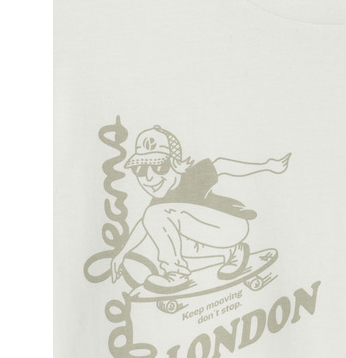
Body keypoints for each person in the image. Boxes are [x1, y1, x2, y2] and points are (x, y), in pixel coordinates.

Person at [111, 125, 290, 293]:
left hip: (231, 224)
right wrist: (122, 254)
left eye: (160, 167)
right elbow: (144, 224)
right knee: (161, 231)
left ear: (176, 163)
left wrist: (268, 166)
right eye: (140, 170)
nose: (149, 177)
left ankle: (176, 273)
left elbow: (223, 165)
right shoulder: (160, 203)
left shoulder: (193, 176)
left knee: (156, 216)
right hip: (211, 235)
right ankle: (233, 252)